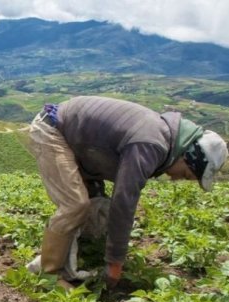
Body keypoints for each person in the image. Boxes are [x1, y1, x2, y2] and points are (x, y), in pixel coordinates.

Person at [28, 96, 227, 288]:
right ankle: (49, 274)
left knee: (97, 209)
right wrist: (115, 263)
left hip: (82, 146)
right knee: (75, 204)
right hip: (52, 129)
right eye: (185, 174)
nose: (177, 179)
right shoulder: (151, 145)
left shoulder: (163, 142)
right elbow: (124, 202)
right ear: (185, 157)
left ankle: (80, 253)